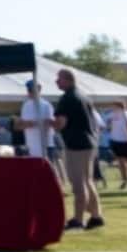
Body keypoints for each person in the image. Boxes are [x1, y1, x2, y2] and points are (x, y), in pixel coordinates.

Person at [53, 69, 104, 230]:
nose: (56, 82)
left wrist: (48, 123)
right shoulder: (83, 96)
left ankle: (78, 219)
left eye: (59, 79)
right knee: (87, 180)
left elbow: (61, 123)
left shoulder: (67, 98)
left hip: (76, 144)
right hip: (89, 143)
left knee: (78, 182)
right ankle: (96, 216)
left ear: (68, 80)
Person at [106, 101, 127, 190]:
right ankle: (124, 180)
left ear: (120, 106)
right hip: (115, 141)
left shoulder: (126, 114)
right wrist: (109, 124)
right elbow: (108, 127)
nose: (113, 108)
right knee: (120, 162)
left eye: (114, 106)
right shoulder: (112, 115)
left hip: (125, 141)